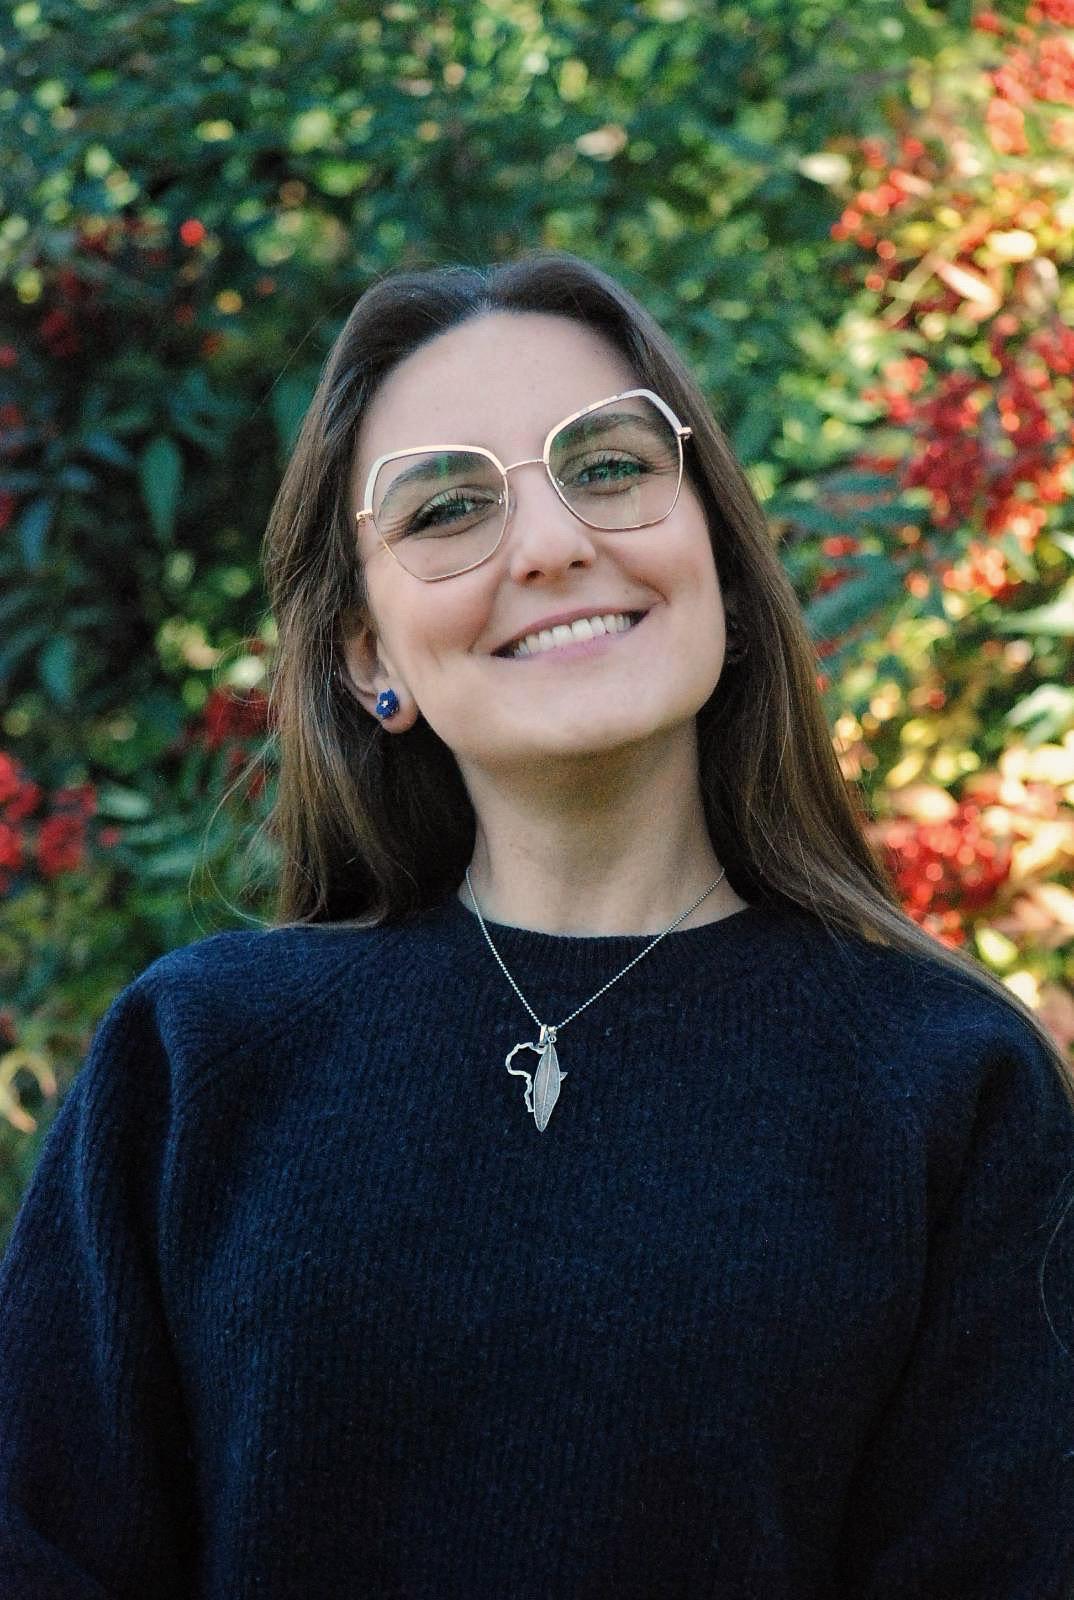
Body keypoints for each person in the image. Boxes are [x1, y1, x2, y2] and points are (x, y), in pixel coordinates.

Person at [1, 253, 1073, 1600]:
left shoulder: (949, 1086)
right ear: (367, 660)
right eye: (447, 505)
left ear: (722, 570)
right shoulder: (200, 1056)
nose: (553, 541)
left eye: (610, 466)